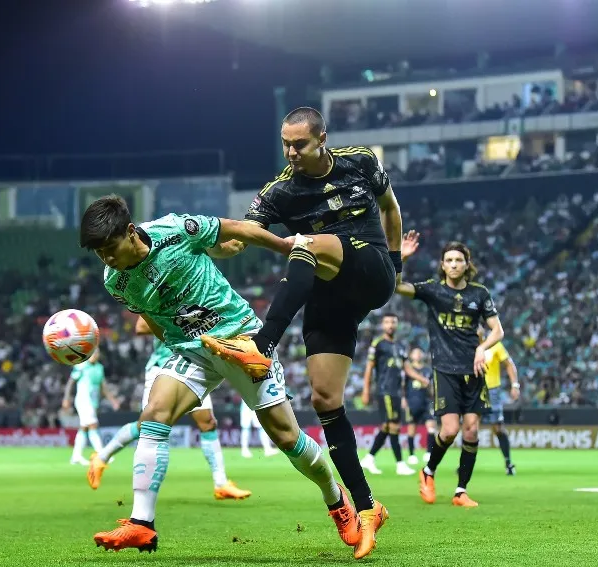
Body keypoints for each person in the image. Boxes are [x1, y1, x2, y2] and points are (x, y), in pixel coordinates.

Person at [80, 196, 385, 558]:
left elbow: (238, 229)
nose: (107, 259)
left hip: (241, 340)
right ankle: (142, 524)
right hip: (194, 351)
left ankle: (337, 501)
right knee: (153, 415)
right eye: (98, 253)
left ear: (130, 232)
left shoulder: (176, 229)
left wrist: (288, 247)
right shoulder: (115, 281)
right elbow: (154, 319)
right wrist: (180, 349)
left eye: (110, 248)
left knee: (287, 438)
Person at [200, 107, 401, 536]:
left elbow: (390, 207)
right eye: (285, 144)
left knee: (306, 244)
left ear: (322, 138)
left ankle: (262, 345)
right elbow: (243, 234)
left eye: (300, 144)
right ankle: (367, 507)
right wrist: (214, 246)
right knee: (325, 399)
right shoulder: (280, 192)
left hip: (371, 269)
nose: (290, 152)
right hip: (329, 294)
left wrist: (396, 264)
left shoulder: (361, 161)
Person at [394, 231, 505, 507]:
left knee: (471, 431)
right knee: (450, 430)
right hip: (444, 368)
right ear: (442, 265)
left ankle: (460, 491)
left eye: (458, 260)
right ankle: (428, 471)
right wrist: (402, 258)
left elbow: (498, 331)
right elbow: (397, 286)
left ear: (467, 264)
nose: (454, 264)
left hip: (474, 369)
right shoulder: (433, 290)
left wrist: (482, 348)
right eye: (449, 260)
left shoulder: (480, 294)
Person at [87, 316, 252, 501]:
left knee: (207, 422)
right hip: (163, 367)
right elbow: (141, 326)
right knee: (147, 426)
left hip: (191, 362)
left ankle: (221, 484)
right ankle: (102, 457)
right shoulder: (162, 294)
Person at [360, 314, 416, 476]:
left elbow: (407, 368)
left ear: (397, 325)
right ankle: (400, 464)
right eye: (387, 322)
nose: (390, 325)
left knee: (386, 426)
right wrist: (366, 390)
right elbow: (369, 368)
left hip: (397, 391)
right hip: (385, 390)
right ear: (382, 325)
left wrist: (423, 380)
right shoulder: (378, 344)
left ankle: (369, 458)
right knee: (394, 426)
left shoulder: (400, 345)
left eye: (393, 322)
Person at [61, 349, 119, 465]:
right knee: (93, 425)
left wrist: (113, 400)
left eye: (97, 353)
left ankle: (76, 456)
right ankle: (102, 454)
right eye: (93, 353)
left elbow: (104, 387)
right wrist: (66, 398)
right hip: (83, 399)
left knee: (84, 427)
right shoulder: (81, 365)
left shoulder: (99, 368)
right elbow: (71, 382)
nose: (95, 355)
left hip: (93, 402)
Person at [481, 334, 520, 475]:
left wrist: (515, 384)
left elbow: (509, 364)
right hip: (473, 390)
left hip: (492, 391)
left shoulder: (495, 345)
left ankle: (508, 462)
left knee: (498, 428)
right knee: (470, 427)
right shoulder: (468, 344)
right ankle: (464, 465)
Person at [402, 347, 437, 464]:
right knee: (412, 428)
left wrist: (432, 394)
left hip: (426, 402)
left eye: (419, 352)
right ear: (411, 355)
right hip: (412, 402)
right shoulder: (408, 369)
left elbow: (432, 387)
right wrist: (403, 399)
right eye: (415, 352)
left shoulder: (428, 370)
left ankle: (428, 453)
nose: (418, 354)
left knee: (431, 427)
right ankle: (411, 454)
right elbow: (402, 385)